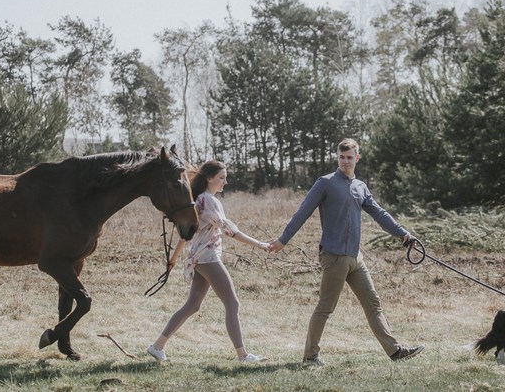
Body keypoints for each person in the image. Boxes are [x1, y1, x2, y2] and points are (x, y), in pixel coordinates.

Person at [268, 138, 424, 366]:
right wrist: (283, 239)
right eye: (341, 157)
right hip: (334, 256)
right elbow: (302, 213)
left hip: (355, 257)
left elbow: (379, 213)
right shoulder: (325, 183)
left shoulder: (360, 187)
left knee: (373, 304)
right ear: (337, 157)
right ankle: (310, 357)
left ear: (357, 158)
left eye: (350, 157)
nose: (345, 161)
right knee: (325, 307)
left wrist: (404, 234)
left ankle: (395, 351)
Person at [148, 160, 269, 363]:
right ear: (209, 178)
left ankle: (157, 346)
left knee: (193, 305)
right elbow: (230, 230)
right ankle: (243, 355)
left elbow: (186, 235)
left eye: (225, 177)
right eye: (221, 178)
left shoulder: (198, 201)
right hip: (208, 258)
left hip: (198, 258)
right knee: (232, 303)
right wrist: (260, 244)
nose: (225, 182)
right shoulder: (209, 201)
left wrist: (175, 257)